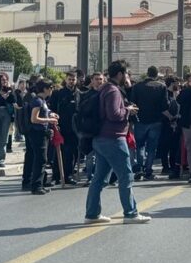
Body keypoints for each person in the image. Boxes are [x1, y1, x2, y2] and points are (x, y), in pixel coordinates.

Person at [83, 60, 150, 224]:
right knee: (126, 176)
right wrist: (128, 111)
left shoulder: (105, 88)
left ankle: (92, 214)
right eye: (126, 73)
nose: (127, 76)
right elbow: (114, 114)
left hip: (101, 138)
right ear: (120, 74)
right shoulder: (113, 90)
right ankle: (131, 213)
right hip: (113, 138)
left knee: (99, 178)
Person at [128, 66, 168, 181]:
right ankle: (148, 171)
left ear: (147, 73)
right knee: (151, 147)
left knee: (139, 146)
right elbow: (165, 105)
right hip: (156, 121)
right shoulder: (162, 86)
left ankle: (139, 169)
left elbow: (133, 103)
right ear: (156, 75)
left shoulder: (137, 86)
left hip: (140, 120)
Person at [23, 80, 58, 195]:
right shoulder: (37, 101)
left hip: (42, 132)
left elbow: (44, 113)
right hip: (37, 133)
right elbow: (34, 119)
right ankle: (36, 186)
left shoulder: (43, 101)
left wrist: (51, 114)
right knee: (40, 159)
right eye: (50, 87)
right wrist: (49, 120)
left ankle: (39, 184)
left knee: (42, 159)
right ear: (45, 89)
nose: (52, 89)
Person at [49, 72, 79, 184]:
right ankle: (56, 176)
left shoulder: (79, 94)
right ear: (66, 80)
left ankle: (68, 175)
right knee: (58, 153)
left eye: (73, 79)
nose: (71, 81)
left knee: (72, 153)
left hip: (74, 129)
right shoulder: (58, 94)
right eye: (70, 79)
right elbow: (51, 109)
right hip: (61, 127)